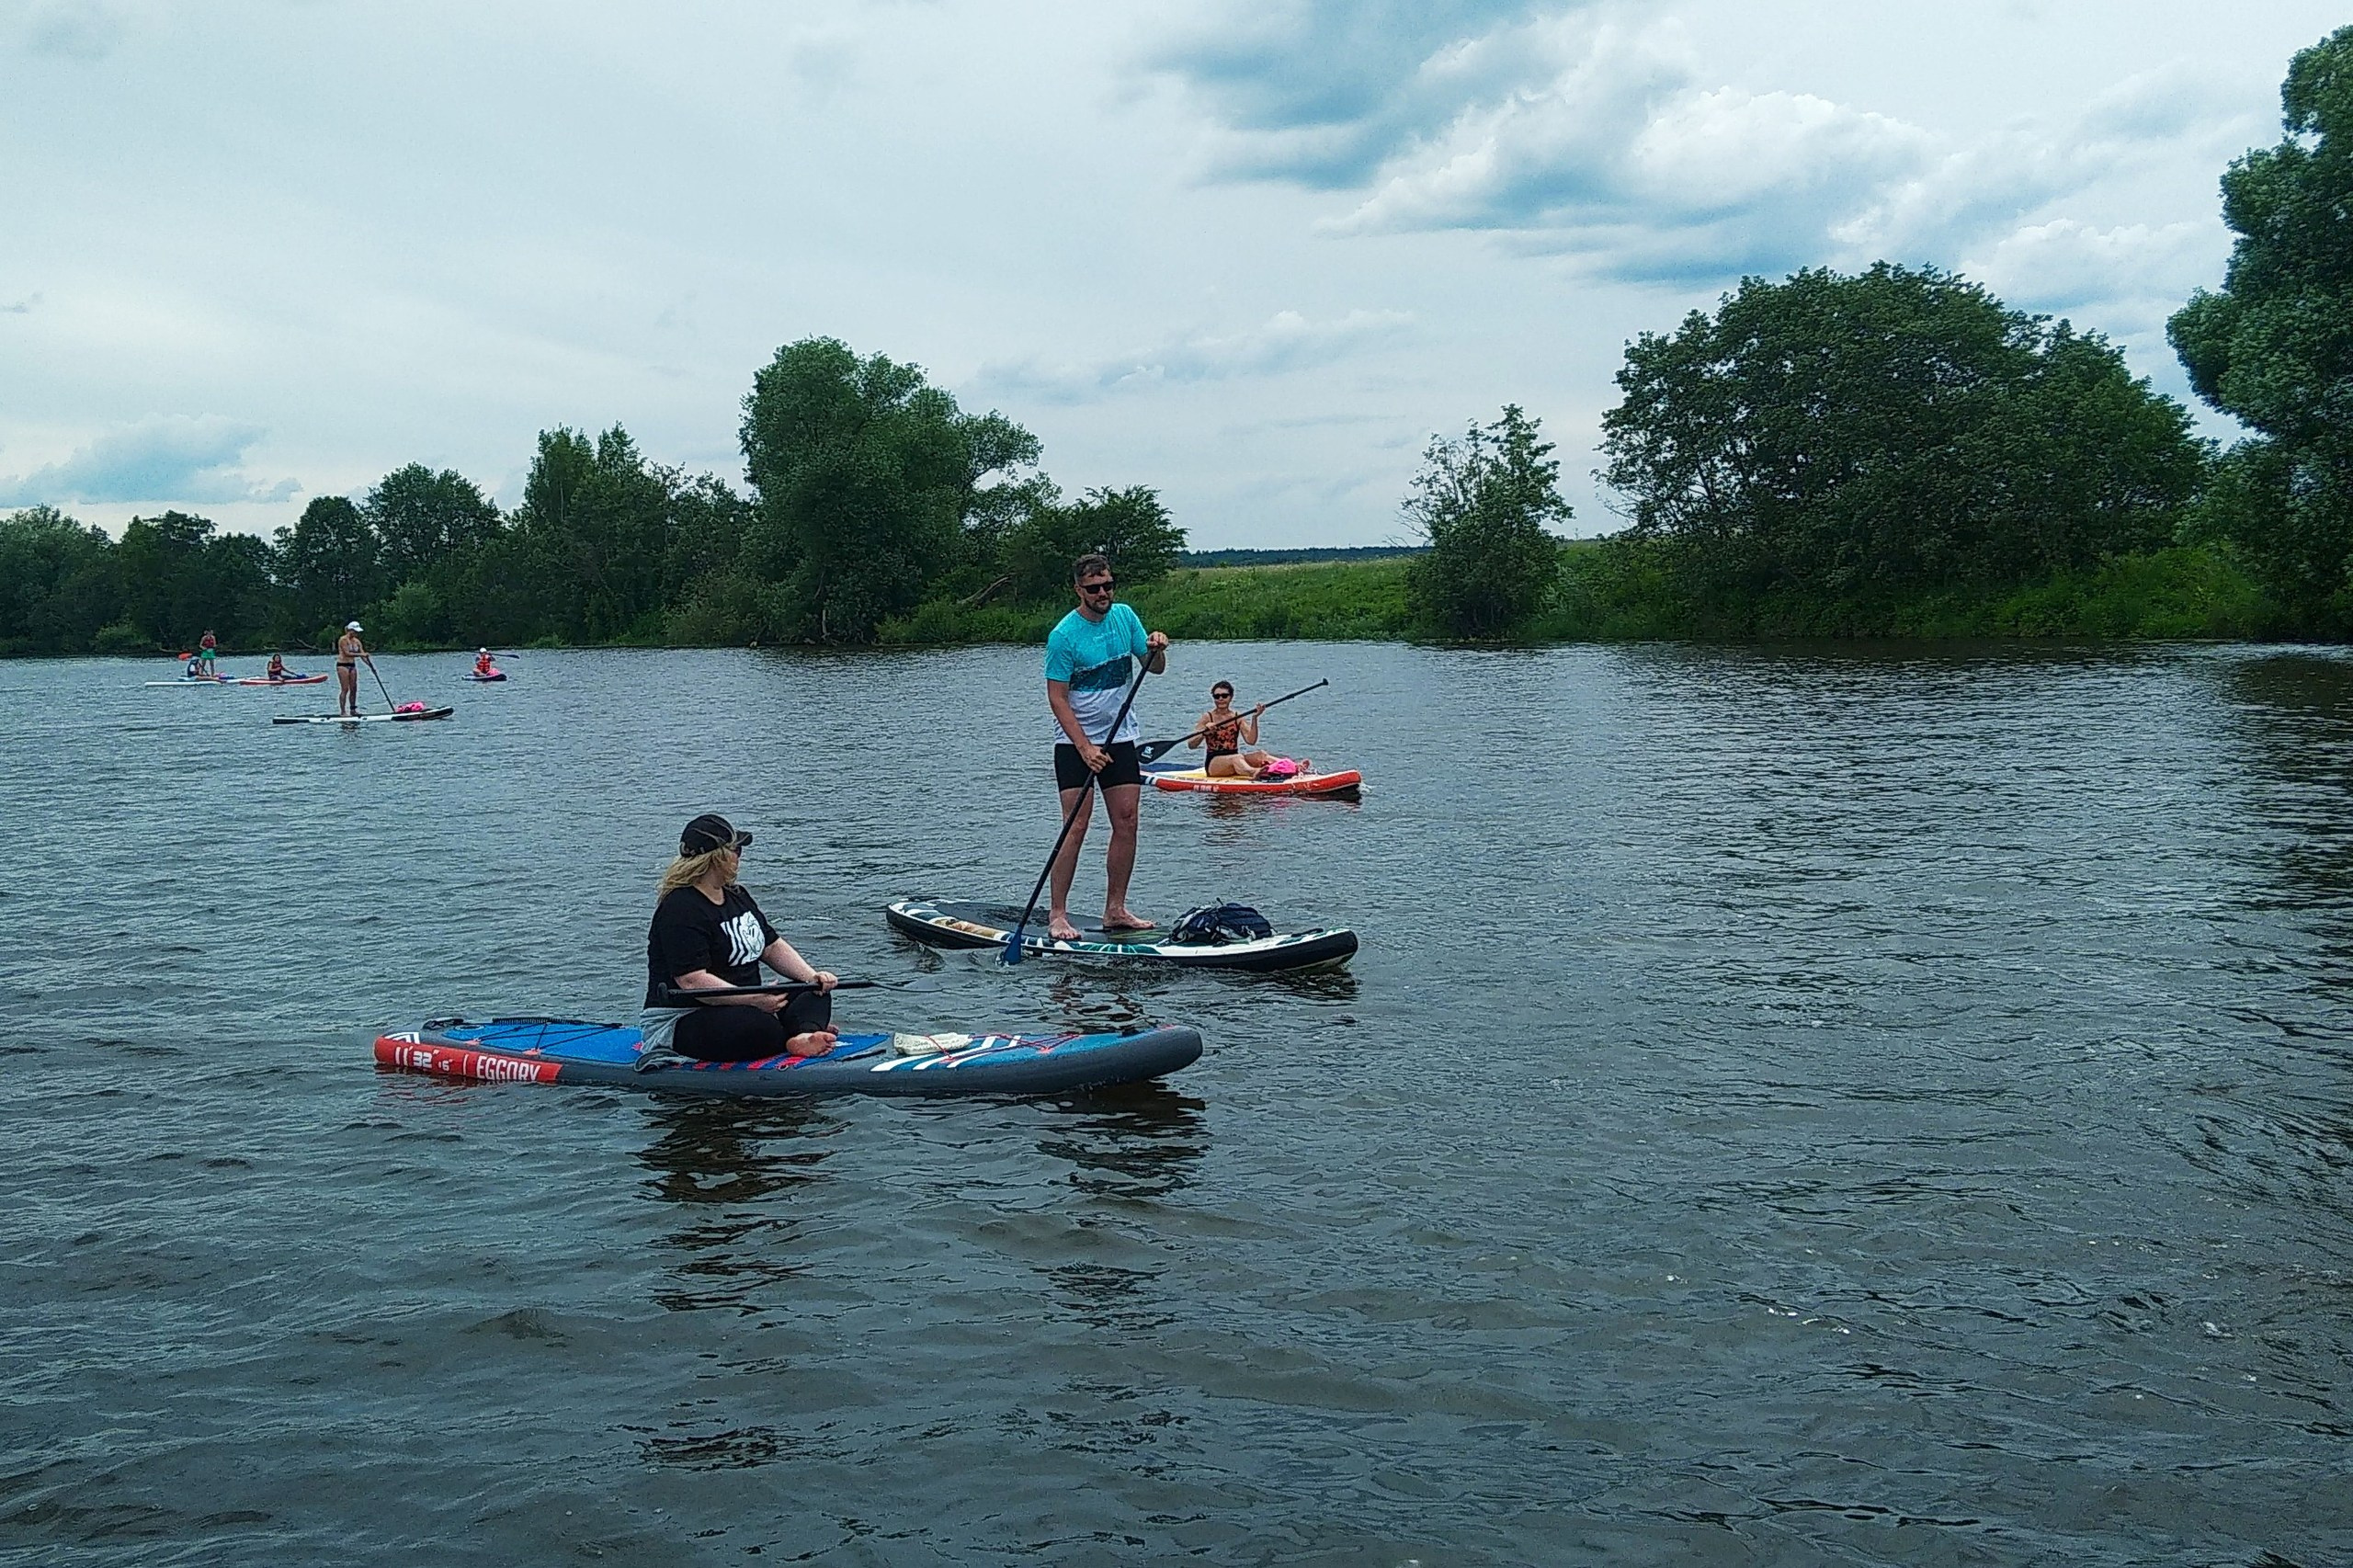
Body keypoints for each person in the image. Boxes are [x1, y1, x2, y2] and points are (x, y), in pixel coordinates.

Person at [641, 813, 839, 1062]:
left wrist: (811, 976)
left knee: (813, 993)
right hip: (687, 1014)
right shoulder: (680, 908)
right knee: (757, 1027)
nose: (739, 857)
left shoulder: (737, 895)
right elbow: (692, 981)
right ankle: (794, 1033)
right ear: (718, 857)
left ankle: (801, 1035)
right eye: (737, 850)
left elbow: (771, 946)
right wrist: (753, 1000)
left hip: (750, 1003)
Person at [1045, 551, 1169, 941]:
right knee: (1076, 826)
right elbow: (1057, 698)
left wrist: (1157, 648)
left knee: (1127, 821)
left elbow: (1155, 669)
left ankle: (1115, 909)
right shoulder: (1064, 635)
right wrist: (1084, 748)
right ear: (1078, 589)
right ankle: (1057, 914)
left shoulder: (1125, 617)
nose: (1103, 593)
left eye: (1108, 586)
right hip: (1074, 743)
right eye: (1094, 588)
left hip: (1121, 737)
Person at [1188, 681, 1307, 778]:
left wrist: (1255, 718)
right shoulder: (1207, 717)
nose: (1220, 699)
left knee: (1261, 754)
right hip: (1214, 764)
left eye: (1224, 696)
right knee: (1237, 758)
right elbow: (1191, 744)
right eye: (1217, 696)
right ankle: (1253, 772)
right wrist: (1204, 732)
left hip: (1234, 759)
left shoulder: (1237, 717)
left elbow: (1251, 741)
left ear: (1231, 697)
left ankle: (1293, 766)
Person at [335, 621, 373, 717]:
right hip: (342, 665)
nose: (357, 633)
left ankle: (353, 710)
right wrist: (361, 654)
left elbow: (363, 656)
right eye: (355, 631)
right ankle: (343, 712)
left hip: (352, 666)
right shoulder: (343, 640)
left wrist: (370, 666)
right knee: (345, 689)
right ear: (350, 630)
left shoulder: (357, 641)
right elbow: (347, 653)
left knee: (354, 688)